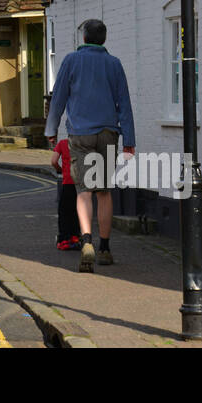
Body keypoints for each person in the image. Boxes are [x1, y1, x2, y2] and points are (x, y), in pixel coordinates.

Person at [45, 18, 135, 273]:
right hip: (108, 133)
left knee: (84, 191)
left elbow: (59, 97)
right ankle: (105, 247)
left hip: (80, 135)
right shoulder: (114, 64)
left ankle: (86, 241)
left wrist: (52, 131)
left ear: (84, 38)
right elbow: (124, 105)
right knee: (104, 192)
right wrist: (129, 141)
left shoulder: (71, 61)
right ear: (103, 39)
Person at [51, 132, 81, 251]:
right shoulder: (82, 145)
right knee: (77, 211)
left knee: (64, 211)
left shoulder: (63, 143)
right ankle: (75, 237)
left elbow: (53, 161)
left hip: (68, 182)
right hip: (80, 183)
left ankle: (64, 240)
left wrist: (61, 170)